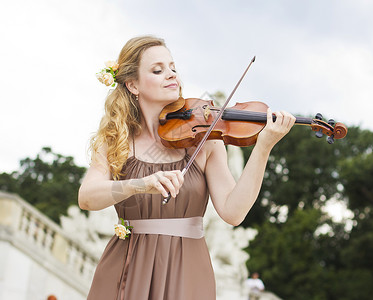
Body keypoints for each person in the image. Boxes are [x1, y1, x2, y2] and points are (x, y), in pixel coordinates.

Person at [78, 35, 295, 300]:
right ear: (132, 84)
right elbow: (87, 197)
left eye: (173, 67)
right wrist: (142, 184)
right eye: (158, 70)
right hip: (125, 264)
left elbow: (233, 212)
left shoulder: (205, 141)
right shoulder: (115, 140)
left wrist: (263, 148)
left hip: (187, 268)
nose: (171, 75)